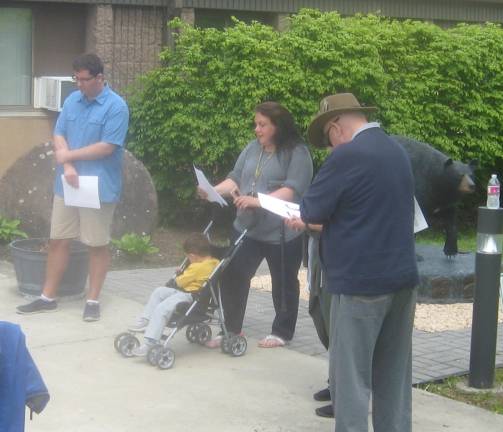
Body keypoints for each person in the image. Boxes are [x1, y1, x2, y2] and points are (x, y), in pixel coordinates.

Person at [286, 93, 418, 432]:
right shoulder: (396, 150)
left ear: (335, 127)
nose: (329, 146)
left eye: (327, 137)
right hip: (402, 280)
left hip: (360, 284)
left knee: (351, 381)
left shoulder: (347, 155)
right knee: (393, 377)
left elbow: (311, 211)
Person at [17, 53, 129, 322]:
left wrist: (69, 157)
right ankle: (47, 297)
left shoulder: (116, 107)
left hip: (98, 186)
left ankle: (92, 300)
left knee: (96, 243)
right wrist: (67, 166)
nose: (79, 84)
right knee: (58, 240)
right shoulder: (71, 100)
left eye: (84, 79)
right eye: (75, 78)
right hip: (67, 183)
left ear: (99, 78)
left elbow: (108, 146)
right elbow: (59, 133)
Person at [200, 101, 313, 348]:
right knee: (233, 276)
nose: (257, 130)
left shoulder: (297, 152)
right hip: (246, 229)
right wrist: (211, 190)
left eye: (262, 125)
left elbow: (292, 190)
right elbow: (235, 179)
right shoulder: (253, 148)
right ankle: (231, 329)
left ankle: (282, 332)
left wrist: (257, 201)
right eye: (256, 124)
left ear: (278, 127)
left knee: (283, 282)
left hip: (282, 232)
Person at [128, 233, 219, 357]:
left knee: (162, 307)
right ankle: (146, 320)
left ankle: (150, 341)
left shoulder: (197, 267)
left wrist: (180, 273)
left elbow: (179, 282)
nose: (188, 260)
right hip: (191, 294)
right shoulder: (215, 262)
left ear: (193, 256)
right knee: (160, 291)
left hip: (188, 296)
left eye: (188, 257)